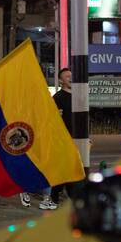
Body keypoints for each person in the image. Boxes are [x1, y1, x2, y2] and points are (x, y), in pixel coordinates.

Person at [51, 67, 73, 205]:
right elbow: (51, 120)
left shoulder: (80, 95)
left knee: (76, 167)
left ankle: (67, 192)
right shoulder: (57, 98)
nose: (70, 78)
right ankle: (55, 192)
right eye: (67, 76)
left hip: (79, 138)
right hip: (63, 138)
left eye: (71, 75)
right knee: (64, 166)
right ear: (61, 80)